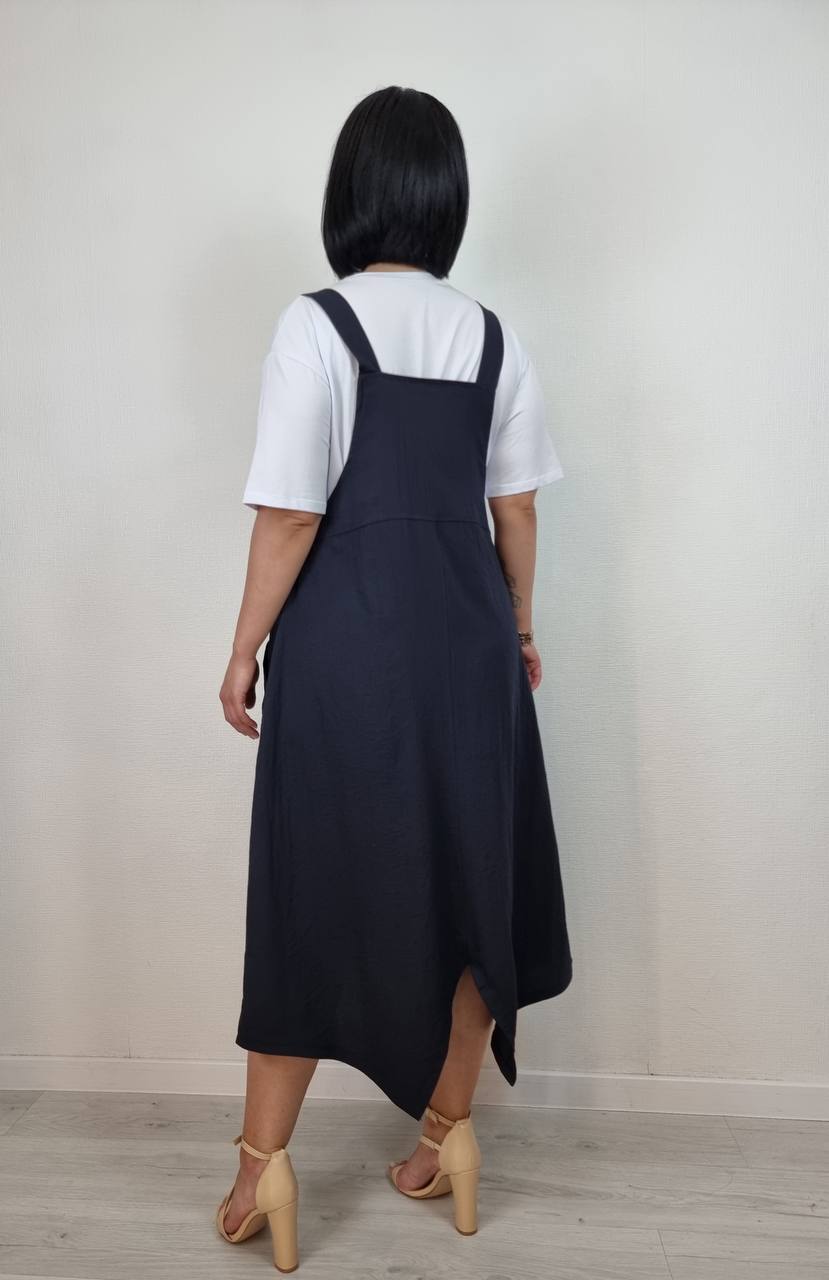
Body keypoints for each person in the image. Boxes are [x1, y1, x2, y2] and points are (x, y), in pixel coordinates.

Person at [216, 84, 572, 1271]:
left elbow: (289, 515)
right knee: (472, 879)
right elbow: (514, 508)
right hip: (467, 645)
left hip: (344, 649)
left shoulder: (314, 325)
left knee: (309, 888)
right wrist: (518, 622)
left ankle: (262, 1167)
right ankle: (445, 1137)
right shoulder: (492, 335)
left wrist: (243, 646)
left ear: (350, 192)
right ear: (445, 199)